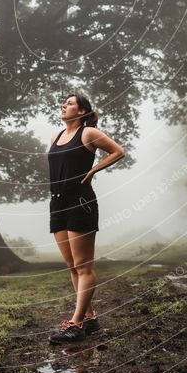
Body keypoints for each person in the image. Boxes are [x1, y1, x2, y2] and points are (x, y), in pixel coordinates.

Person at [47, 92, 125, 344]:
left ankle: (76, 323)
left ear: (81, 111)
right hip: (57, 202)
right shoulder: (55, 136)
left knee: (84, 266)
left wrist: (93, 170)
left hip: (80, 201)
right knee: (71, 266)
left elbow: (118, 151)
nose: (64, 105)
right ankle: (90, 318)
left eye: (69, 103)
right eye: (64, 103)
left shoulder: (88, 133)